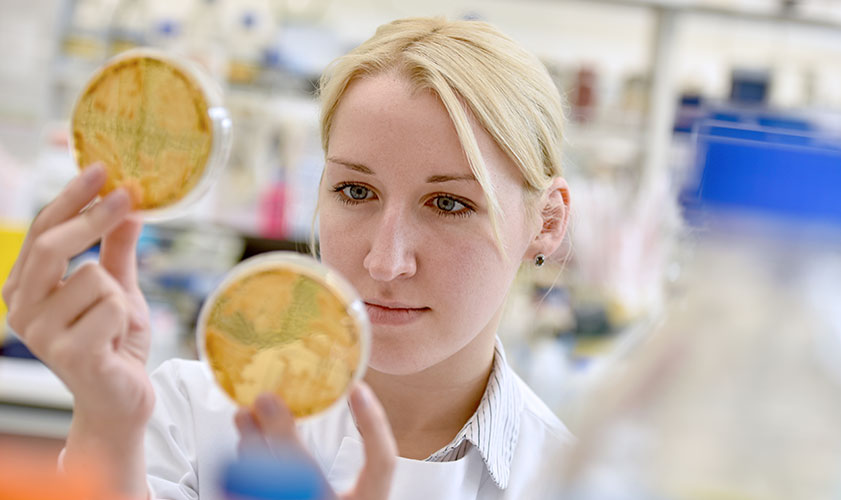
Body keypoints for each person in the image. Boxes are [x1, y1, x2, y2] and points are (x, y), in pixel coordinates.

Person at [2, 16, 572, 500]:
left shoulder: (575, 481)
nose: (384, 261)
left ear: (545, 223)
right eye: (356, 192)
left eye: (449, 203)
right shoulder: (188, 414)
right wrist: (107, 424)